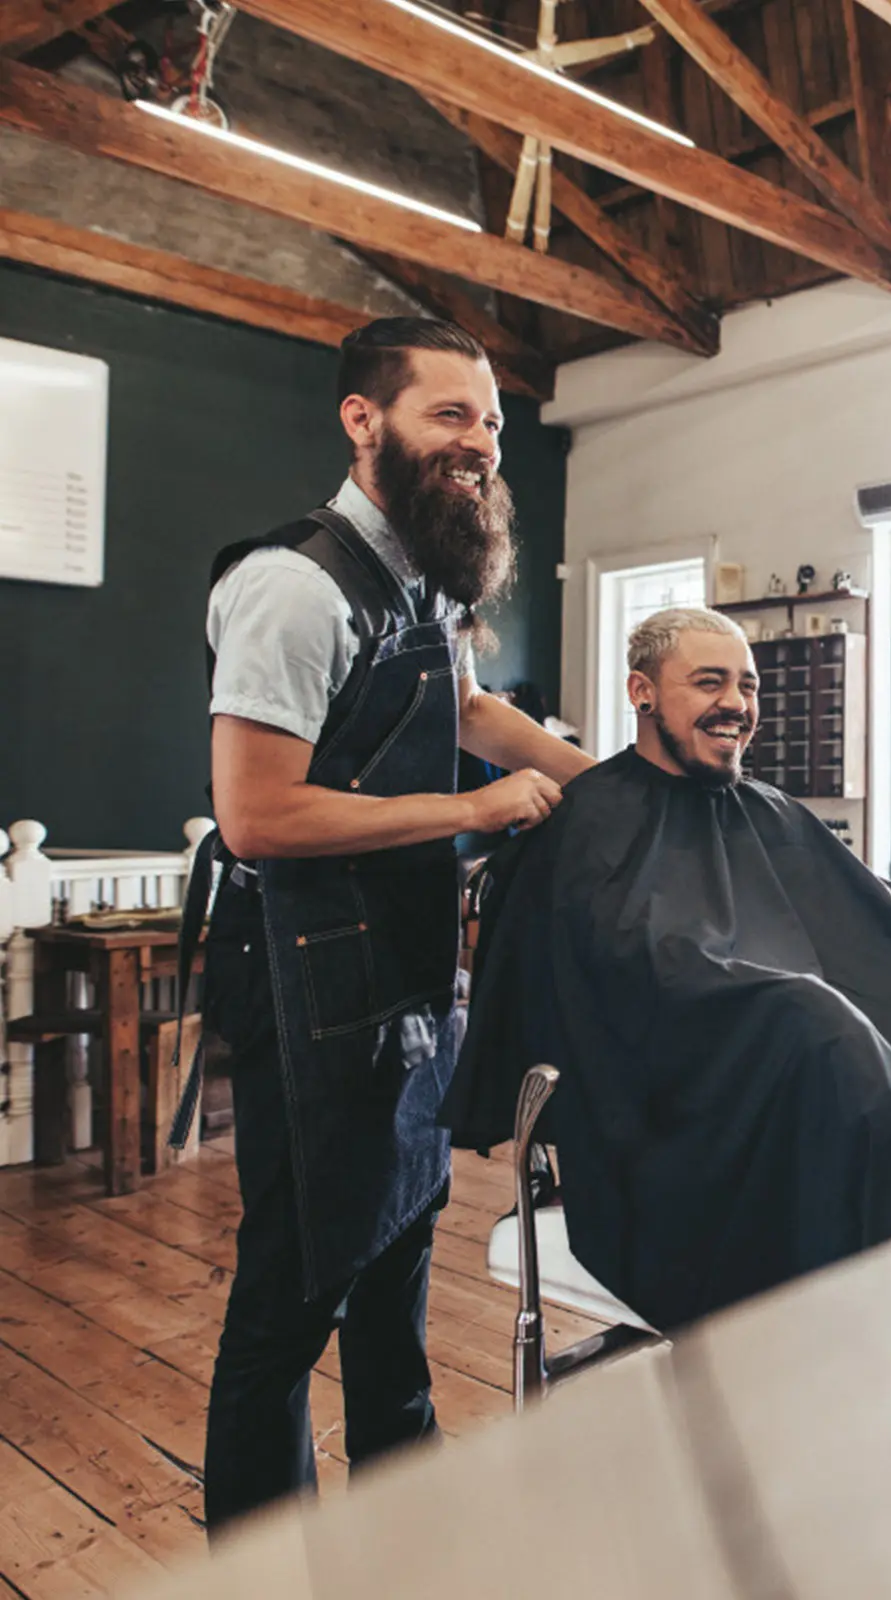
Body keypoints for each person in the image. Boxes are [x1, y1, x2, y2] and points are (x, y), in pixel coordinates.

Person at [444, 607, 891, 1332]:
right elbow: (612, 993)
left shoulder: (768, 810)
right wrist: (791, 1010)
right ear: (640, 692)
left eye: (747, 686)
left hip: (818, 1061)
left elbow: (881, 932)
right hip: (683, 1120)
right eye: (709, 682)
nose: (736, 705)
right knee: (839, 1047)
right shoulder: (586, 824)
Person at [196, 317, 593, 1536]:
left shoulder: (422, 573)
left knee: (396, 1277)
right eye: (449, 416)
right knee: (293, 1295)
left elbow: (466, 707)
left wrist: (618, 789)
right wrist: (473, 810)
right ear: (363, 421)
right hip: (305, 985)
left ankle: (402, 1545)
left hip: (409, 976)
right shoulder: (293, 587)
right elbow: (257, 814)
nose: (479, 444)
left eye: (489, 422)